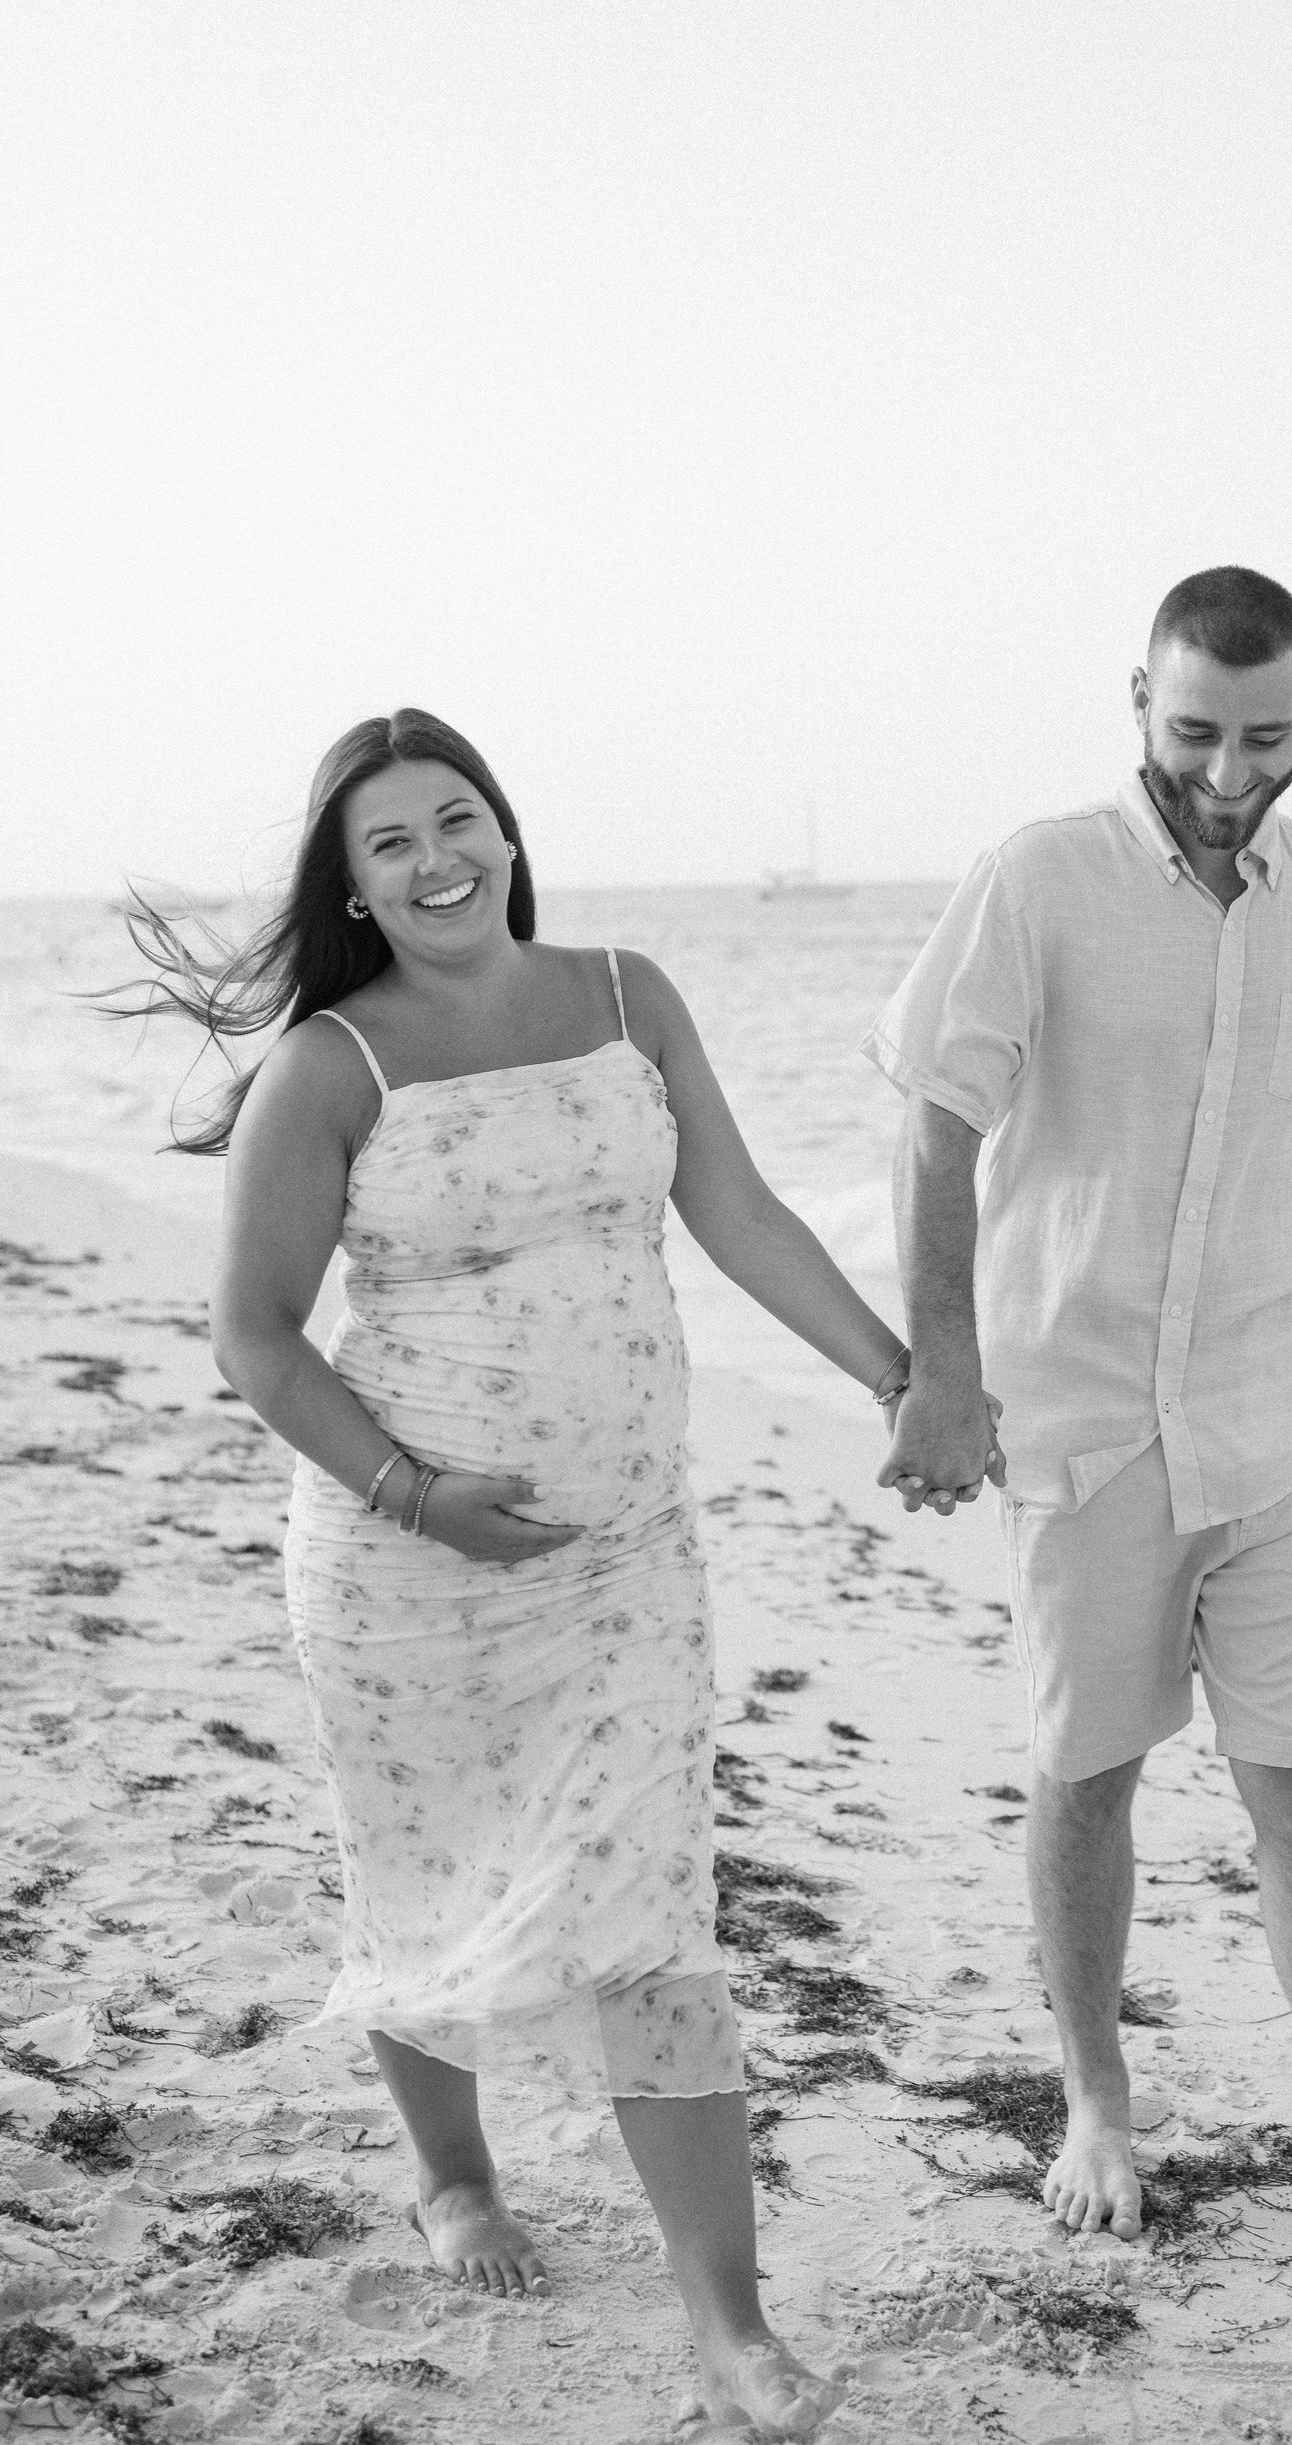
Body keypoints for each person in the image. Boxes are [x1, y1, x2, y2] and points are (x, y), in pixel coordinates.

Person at [126, 708, 960, 2439]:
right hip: (401, 1566)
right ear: (350, 882)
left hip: (629, 1554)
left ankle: (730, 2327)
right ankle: (454, 2180)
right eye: (392, 843)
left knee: (661, 1918)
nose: (439, 861)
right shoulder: (331, 1065)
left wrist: (900, 1374)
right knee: (422, 1879)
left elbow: (731, 1207)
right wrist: (419, 1494)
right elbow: (255, 1338)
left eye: (460, 819)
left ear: (506, 827)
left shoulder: (627, 992)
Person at [863, 567, 1292, 2309]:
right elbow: (934, 1126)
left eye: (1266, 735)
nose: (1231, 770)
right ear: (1139, 703)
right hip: (1089, 1416)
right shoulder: (1039, 877)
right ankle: (1098, 2100)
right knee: (1089, 1769)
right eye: (1196, 733)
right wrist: (942, 1369)